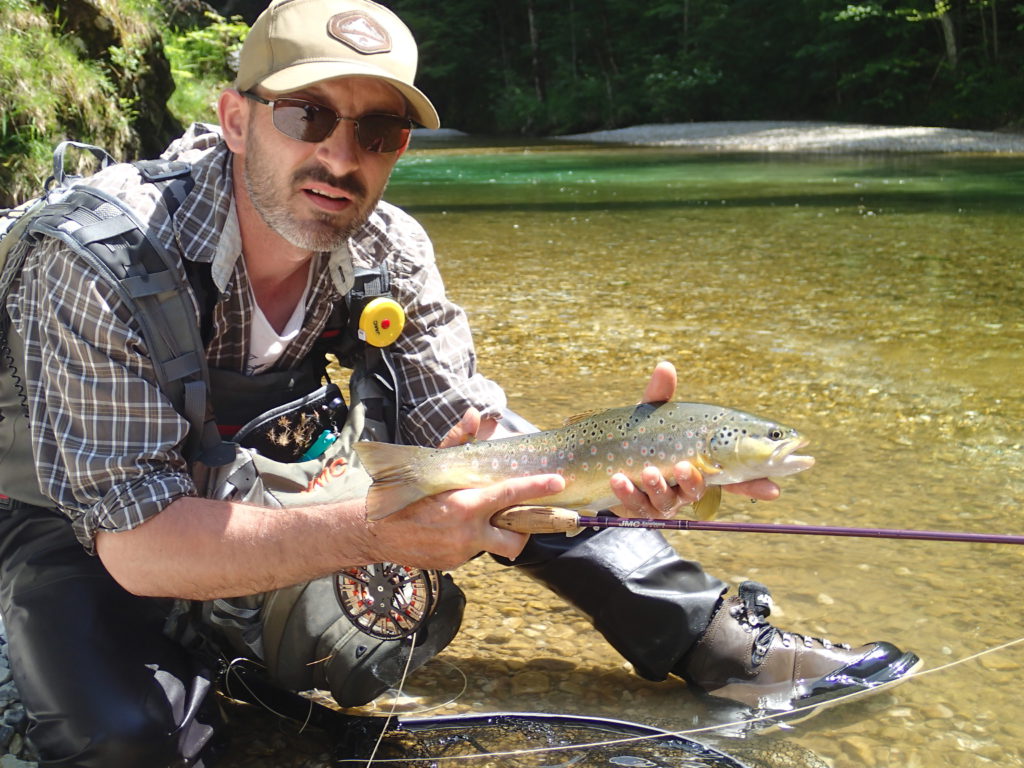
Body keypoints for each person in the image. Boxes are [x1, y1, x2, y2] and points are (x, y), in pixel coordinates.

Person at [0, 1, 919, 765]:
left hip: (250, 468)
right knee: (123, 740)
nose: (342, 159)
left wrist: (618, 471)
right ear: (236, 119)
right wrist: (369, 532)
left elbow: (472, 442)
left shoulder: (386, 245)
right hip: (73, 517)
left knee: (508, 460)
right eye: (307, 116)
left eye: (379, 132)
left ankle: (713, 637)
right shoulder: (95, 257)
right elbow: (138, 544)